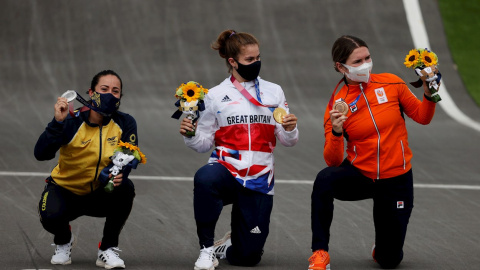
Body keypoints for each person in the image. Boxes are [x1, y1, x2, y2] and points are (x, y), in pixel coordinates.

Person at [308, 35, 438, 270]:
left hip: (397, 178)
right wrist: (337, 131)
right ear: (341, 67)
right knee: (324, 180)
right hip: (361, 175)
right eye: (357, 62)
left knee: (390, 260)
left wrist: (429, 94)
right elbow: (333, 160)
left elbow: (422, 117)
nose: (366, 64)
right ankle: (320, 253)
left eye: (368, 58)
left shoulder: (392, 83)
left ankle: (383, 248)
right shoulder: (337, 105)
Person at [179, 29, 299, 270]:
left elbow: (287, 140)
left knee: (248, 257)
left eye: (258, 58)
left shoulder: (273, 91)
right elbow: (203, 143)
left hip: (259, 176)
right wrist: (190, 134)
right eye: (249, 60)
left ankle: (229, 245)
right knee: (205, 179)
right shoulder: (214, 95)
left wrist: (290, 128)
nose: (256, 63)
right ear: (232, 62)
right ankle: (206, 250)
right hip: (226, 169)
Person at [35, 70, 138, 269]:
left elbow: (129, 157)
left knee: (126, 188)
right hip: (65, 192)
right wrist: (57, 123)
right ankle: (64, 240)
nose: (110, 94)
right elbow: (41, 154)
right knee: (49, 216)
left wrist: (120, 175)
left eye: (115, 91)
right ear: (91, 92)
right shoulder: (71, 121)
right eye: (104, 89)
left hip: (100, 193)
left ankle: (107, 249)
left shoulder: (125, 122)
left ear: (120, 97)